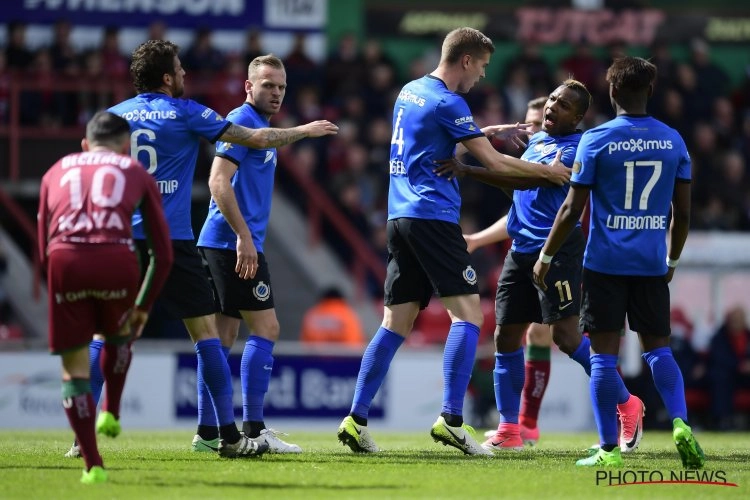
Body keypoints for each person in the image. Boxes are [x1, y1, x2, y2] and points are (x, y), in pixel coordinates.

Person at [68, 40, 337, 459]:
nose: (185, 75)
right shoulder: (188, 112)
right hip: (172, 241)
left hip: (118, 241)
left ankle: (82, 438)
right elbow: (254, 141)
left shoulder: (112, 117)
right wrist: (304, 131)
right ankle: (235, 433)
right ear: (167, 77)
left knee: (108, 334)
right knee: (209, 336)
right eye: (179, 69)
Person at [336, 26, 570, 456]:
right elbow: (496, 163)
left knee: (395, 323)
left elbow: (435, 142)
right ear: (465, 60)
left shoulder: (410, 92)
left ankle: (355, 418)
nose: (482, 75)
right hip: (433, 217)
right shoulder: (450, 102)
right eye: (481, 66)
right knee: (468, 317)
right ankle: (451, 419)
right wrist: (549, 174)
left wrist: (484, 129)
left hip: (399, 216)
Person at [439, 81, 644, 453]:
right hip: (520, 250)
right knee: (505, 337)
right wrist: (488, 170)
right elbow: (521, 186)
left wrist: (470, 169)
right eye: (551, 99)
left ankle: (627, 402)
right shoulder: (537, 143)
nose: (552, 107)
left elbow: (532, 177)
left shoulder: (579, 148)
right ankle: (509, 427)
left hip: (559, 251)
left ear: (578, 117)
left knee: (566, 338)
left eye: (563, 105)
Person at [533, 56, 704, 468]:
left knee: (603, 358)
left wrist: (546, 256)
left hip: (605, 263)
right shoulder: (673, 141)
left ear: (611, 94)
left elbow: (572, 210)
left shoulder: (596, 141)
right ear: (650, 91)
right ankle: (681, 424)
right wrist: (673, 258)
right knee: (659, 352)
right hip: (650, 264)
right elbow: (682, 214)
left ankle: (609, 449)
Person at [196, 54, 337, 454]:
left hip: (227, 242)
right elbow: (217, 181)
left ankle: (209, 432)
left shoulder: (260, 126)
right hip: (231, 243)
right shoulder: (240, 121)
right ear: (249, 86)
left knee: (223, 336)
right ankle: (254, 430)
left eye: (281, 87)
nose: (275, 93)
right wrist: (243, 236)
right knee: (268, 328)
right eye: (268, 85)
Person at [38, 111, 173, 484]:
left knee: (74, 370)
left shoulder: (56, 170)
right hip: (116, 257)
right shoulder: (134, 171)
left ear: (85, 144)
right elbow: (163, 255)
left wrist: (54, 284)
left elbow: (41, 245)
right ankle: (111, 408)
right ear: (126, 148)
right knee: (118, 335)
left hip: (65, 259)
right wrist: (143, 307)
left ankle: (92, 465)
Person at [706, 305, 750, 430]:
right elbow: (718, 359)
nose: (737, 323)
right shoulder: (719, 337)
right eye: (734, 319)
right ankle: (722, 421)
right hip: (728, 375)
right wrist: (740, 366)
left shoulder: (748, 336)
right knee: (719, 378)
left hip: (746, 377)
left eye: (739, 319)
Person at [300, 287, 366, 348]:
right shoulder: (347, 314)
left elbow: (304, 343)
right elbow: (355, 343)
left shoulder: (312, 315)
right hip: (343, 359)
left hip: (314, 359)